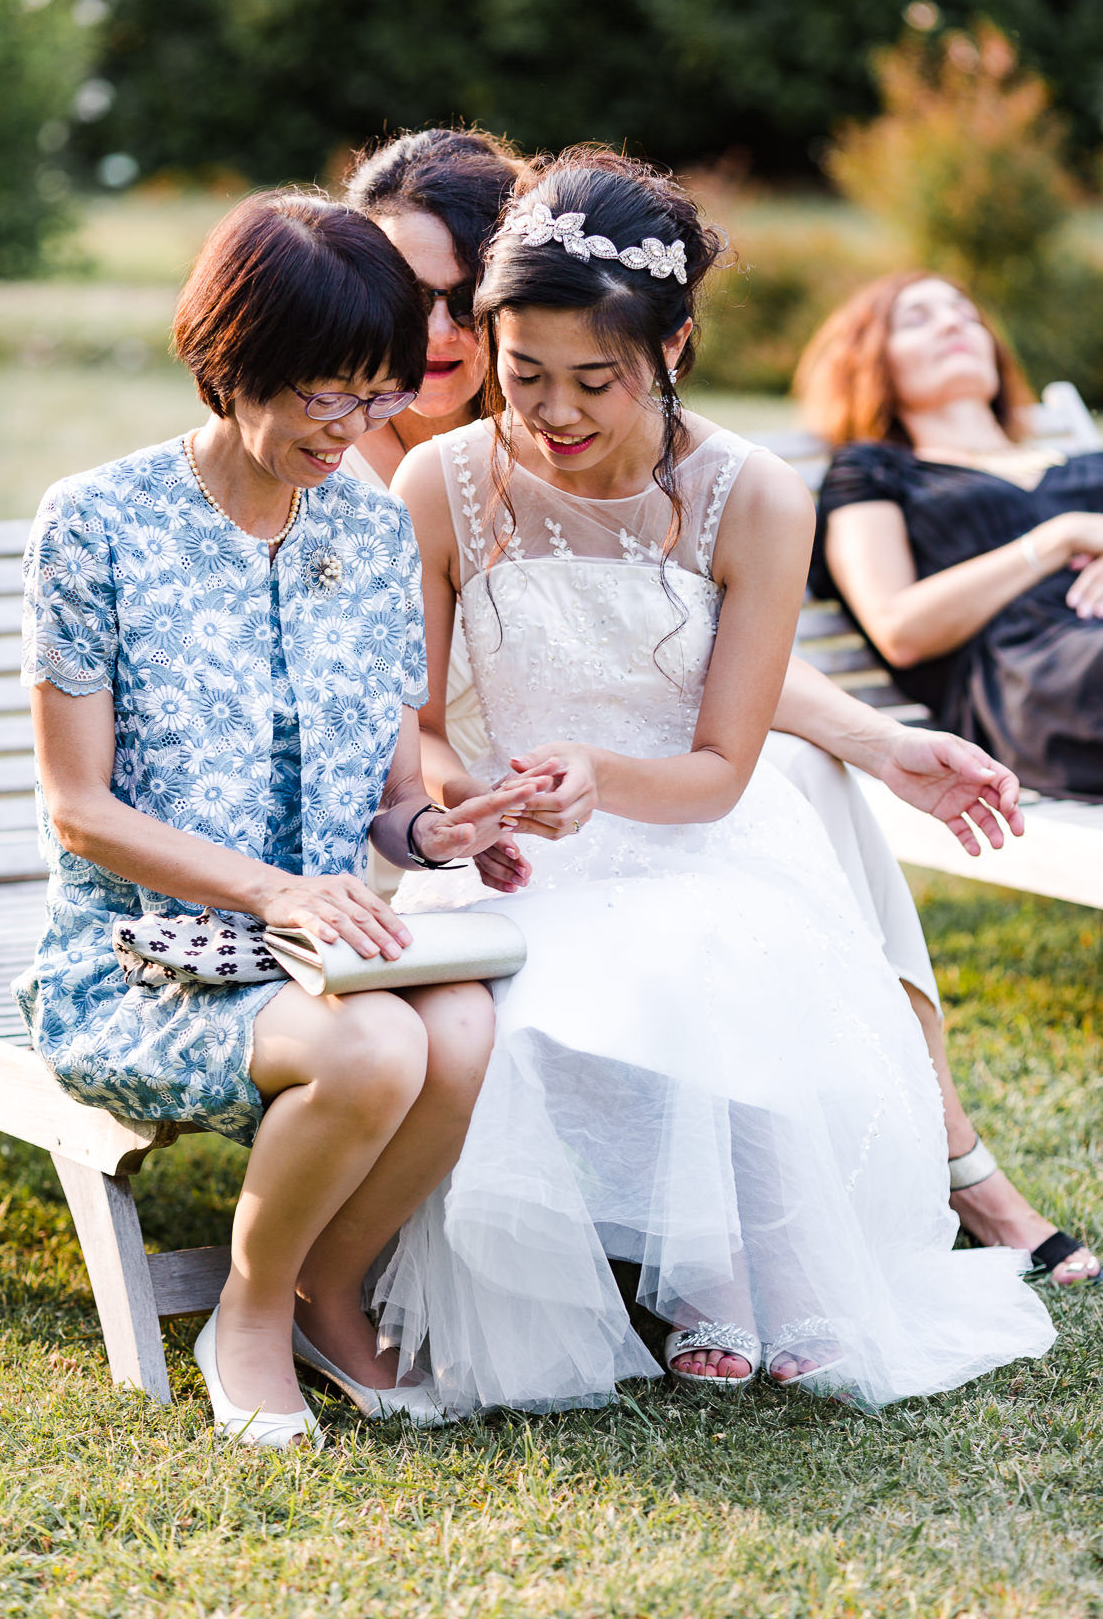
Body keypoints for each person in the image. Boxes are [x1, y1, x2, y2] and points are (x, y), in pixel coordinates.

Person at [345, 130, 1097, 1299]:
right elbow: (413, 722)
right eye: (411, 301)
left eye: (457, 301)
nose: (439, 336)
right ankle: (931, 1173)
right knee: (774, 819)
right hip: (419, 822)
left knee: (797, 801)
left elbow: (677, 674)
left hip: (631, 793)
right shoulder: (364, 461)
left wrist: (877, 738)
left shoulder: (711, 470)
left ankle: (920, 1162)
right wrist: (458, 800)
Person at [14, 190, 551, 1447]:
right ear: (233, 357)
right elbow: (77, 808)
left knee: (462, 1030)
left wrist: (438, 835)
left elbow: (391, 801)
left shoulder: (370, 526)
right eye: (327, 396)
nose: (357, 429)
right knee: (372, 1052)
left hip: (322, 946)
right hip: (143, 957)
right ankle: (248, 1315)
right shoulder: (94, 523)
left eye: (378, 396)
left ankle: (326, 1289)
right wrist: (273, 892)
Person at [798, 271, 1103, 802]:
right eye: (918, 319)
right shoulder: (873, 472)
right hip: (1038, 683)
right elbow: (897, 626)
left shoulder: (1088, 464)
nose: (950, 324)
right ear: (872, 361)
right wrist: (1060, 539)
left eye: (965, 315)